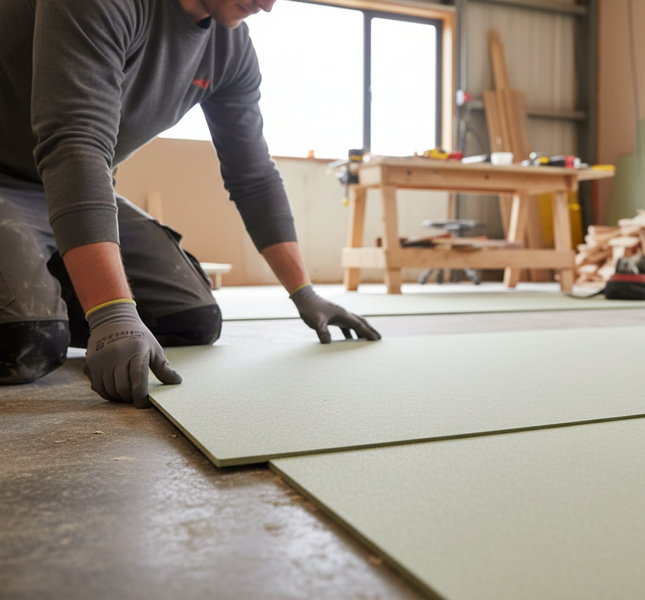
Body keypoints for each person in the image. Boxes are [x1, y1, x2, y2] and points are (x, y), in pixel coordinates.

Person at [0, 0, 381, 407]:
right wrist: (112, 314)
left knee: (191, 320)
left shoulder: (231, 47)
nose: (268, 5)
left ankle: (51, 291)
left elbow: (253, 176)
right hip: (16, 176)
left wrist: (303, 292)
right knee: (26, 341)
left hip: (75, 185)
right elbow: (76, 142)